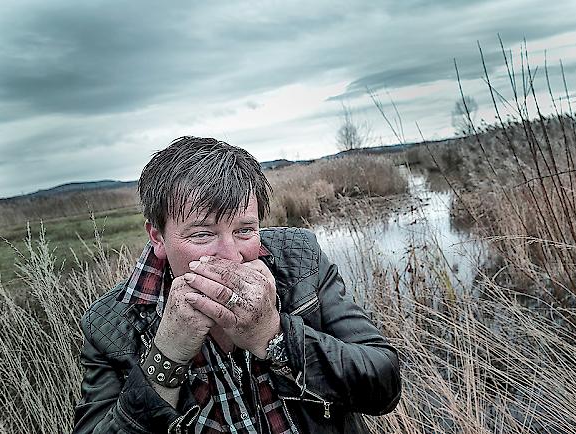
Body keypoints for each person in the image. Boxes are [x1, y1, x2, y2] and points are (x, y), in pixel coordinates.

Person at [73, 137, 401, 433]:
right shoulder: (110, 324)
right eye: (202, 234)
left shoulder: (301, 261)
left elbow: (384, 386)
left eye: (245, 230)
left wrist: (275, 337)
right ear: (158, 237)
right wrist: (168, 355)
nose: (232, 257)